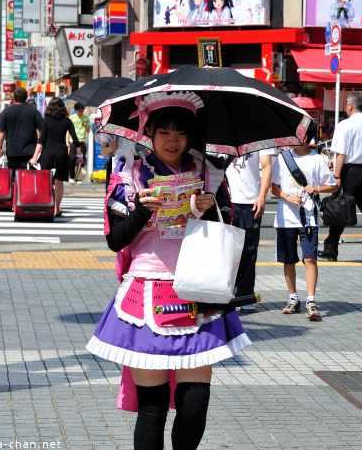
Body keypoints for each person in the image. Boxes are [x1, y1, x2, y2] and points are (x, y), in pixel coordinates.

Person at [86, 91, 251, 450]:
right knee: (153, 409)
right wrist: (142, 211)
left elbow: (230, 223)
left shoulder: (207, 171)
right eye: (164, 132)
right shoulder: (130, 173)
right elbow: (115, 241)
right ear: (150, 132)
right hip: (146, 292)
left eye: (180, 132)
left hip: (199, 289)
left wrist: (206, 208)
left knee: (195, 406)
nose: (172, 140)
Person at [271, 121, 338, 320]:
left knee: (310, 259)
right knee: (288, 259)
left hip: (309, 218)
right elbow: (273, 187)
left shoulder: (317, 160)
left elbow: (333, 186)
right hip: (285, 218)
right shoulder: (282, 159)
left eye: (297, 135)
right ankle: (293, 298)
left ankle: (310, 300)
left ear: (306, 138)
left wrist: (315, 189)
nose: (292, 138)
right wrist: (286, 197)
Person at [320, 91, 362, 261]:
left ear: (350, 106)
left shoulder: (345, 125)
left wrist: (336, 175)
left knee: (340, 208)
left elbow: (340, 154)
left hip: (349, 171)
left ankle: (331, 250)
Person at [225, 148, 277, 313]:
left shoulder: (260, 136)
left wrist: (262, 195)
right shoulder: (219, 131)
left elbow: (267, 165)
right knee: (225, 250)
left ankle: (245, 294)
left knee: (248, 250)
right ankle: (224, 294)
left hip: (250, 200)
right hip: (226, 199)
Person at [29, 97, 83, 218]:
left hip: (48, 152)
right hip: (61, 153)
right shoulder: (67, 121)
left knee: (47, 180)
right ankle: (56, 208)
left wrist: (34, 157)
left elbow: (41, 140)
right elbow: (75, 139)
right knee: (59, 182)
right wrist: (79, 155)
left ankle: (47, 205)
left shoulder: (46, 121)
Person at [0, 87, 43, 175]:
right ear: (26, 97)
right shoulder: (34, 112)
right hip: (29, 151)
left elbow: (1, 132)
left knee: (13, 177)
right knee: (27, 178)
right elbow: (43, 130)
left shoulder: (6, 112)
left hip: (12, 151)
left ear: (14, 97)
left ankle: (14, 188)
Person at [69, 102, 90, 184]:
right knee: (72, 159)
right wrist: (67, 141)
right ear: (76, 110)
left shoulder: (86, 118)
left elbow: (88, 131)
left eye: (82, 110)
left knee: (81, 160)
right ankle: (71, 176)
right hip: (73, 142)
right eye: (79, 110)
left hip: (82, 141)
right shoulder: (72, 118)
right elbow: (68, 131)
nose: (81, 112)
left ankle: (79, 178)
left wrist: (85, 126)